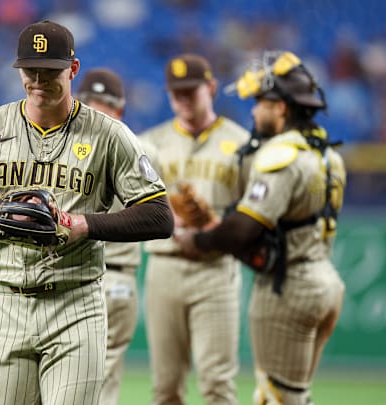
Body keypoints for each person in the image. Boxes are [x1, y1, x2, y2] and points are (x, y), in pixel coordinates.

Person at [0, 20, 173, 405]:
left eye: (50, 71)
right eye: (31, 71)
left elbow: (160, 216)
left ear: (72, 69)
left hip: (76, 304)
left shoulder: (109, 134)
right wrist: (2, 210)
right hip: (6, 303)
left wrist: (82, 225)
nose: (39, 80)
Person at [177, 51, 347, 405]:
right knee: (296, 394)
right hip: (327, 281)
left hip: (290, 289)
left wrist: (200, 239)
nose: (254, 111)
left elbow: (244, 231)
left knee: (275, 397)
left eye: (260, 102)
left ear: (281, 107)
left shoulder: (281, 154)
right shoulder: (327, 153)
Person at [139, 53, 250, 405]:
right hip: (164, 268)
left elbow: (254, 215)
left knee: (218, 384)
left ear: (212, 89)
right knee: (165, 387)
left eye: (192, 91)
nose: (184, 99)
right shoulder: (149, 144)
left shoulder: (242, 145)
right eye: (177, 93)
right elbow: (132, 208)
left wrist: (217, 224)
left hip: (215, 269)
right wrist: (170, 220)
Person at [76, 67, 161, 405]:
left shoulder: (64, 148)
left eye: (100, 105)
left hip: (86, 275)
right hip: (112, 279)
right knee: (102, 383)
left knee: (79, 382)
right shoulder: (144, 149)